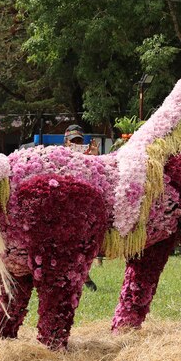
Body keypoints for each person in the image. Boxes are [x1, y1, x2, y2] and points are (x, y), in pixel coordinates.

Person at [63, 124, 100, 291]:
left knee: (83, 244)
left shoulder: (89, 157)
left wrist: (95, 157)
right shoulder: (59, 156)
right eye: (73, 141)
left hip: (84, 207)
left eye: (79, 141)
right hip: (65, 207)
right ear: (66, 142)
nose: (76, 144)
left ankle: (84, 276)